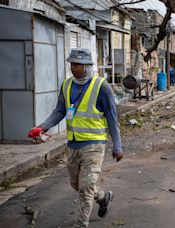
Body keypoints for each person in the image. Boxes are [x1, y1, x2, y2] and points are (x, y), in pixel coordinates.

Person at [28, 48, 123, 227]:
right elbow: (60, 111)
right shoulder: (67, 85)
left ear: (88, 66)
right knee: (77, 185)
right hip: (73, 145)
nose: (74, 68)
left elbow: (112, 118)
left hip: (94, 145)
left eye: (78, 64)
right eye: (72, 64)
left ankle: (81, 224)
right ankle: (104, 197)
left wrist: (117, 146)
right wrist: (42, 127)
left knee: (85, 187)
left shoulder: (102, 87)